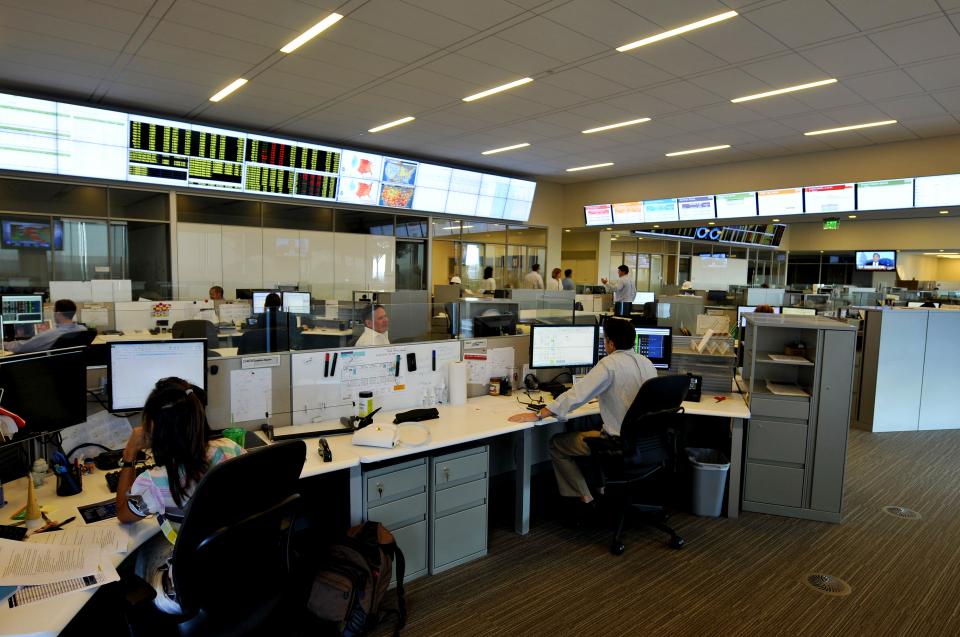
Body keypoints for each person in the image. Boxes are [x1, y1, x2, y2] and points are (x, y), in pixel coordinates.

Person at [116, 377, 244, 612]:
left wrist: (129, 453)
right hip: (239, 570)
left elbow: (124, 513)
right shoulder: (230, 448)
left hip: (185, 593)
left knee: (140, 552)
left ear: (154, 429)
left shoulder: (154, 481)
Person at [509, 317, 657, 505]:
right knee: (591, 428)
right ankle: (600, 487)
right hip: (645, 442)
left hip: (619, 442)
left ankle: (585, 496)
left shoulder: (609, 364)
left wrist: (539, 414)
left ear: (610, 343)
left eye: (605, 340)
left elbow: (577, 395)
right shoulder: (647, 363)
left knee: (557, 443)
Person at [6, 299, 87, 354]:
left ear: (58, 314)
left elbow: (22, 347)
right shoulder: (83, 330)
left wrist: (3, 344)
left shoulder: (51, 334)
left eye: (54, 311)